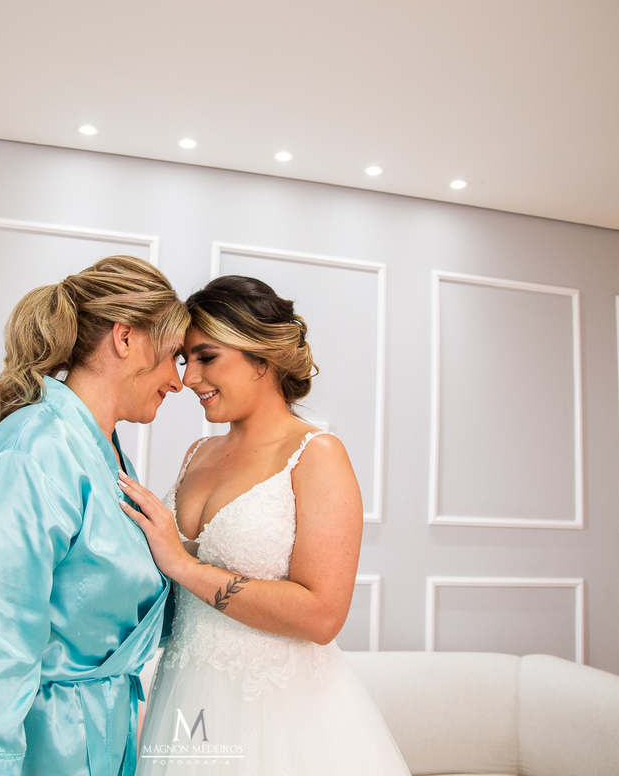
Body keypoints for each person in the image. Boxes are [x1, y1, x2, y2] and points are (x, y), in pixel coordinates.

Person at [0, 256, 190, 776]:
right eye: (173, 356)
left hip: (91, 738)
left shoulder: (103, 453)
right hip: (23, 747)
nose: (178, 381)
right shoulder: (28, 457)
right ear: (125, 337)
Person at [118, 275, 410, 775]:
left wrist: (183, 566)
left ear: (262, 355)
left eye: (207, 358)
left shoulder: (316, 454)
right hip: (187, 699)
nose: (189, 379)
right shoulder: (197, 453)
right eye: (185, 361)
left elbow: (322, 616)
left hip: (279, 714)